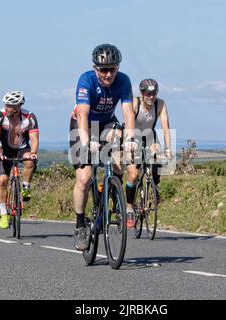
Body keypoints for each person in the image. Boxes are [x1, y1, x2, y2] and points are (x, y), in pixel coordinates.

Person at [69, 43, 136, 250]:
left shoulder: (123, 81)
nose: (108, 74)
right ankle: (80, 225)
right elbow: (82, 115)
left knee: (119, 144)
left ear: (118, 68)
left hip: (107, 123)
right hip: (84, 125)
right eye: (103, 69)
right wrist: (87, 142)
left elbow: (127, 113)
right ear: (95, 68)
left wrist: (131, 138)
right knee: (84, 178)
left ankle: (114, 193)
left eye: (112, 69)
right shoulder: (86, 80)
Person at [125, 79, 172, 226]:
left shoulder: (161, 104)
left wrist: (168, 148)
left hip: (149, 136)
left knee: (157, 154)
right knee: (133, 174)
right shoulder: (135, 103)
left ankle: (154, 186)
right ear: (142, 93)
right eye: (148, 94)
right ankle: (129, 208)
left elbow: (165, 129)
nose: (151, 97)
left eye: (154, 93)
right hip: (132, 135)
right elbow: (128, 123)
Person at [0, 91, 39, 229]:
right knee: (2, 180)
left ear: (18, 106)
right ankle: (3, 213)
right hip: (5, 149)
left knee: (30, 161)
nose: (7, 108)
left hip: (22, 148)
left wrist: (33, 152)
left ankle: (25, 187)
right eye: (6, 105)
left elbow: (35, 138)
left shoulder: (29, 116)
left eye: (10, 106)